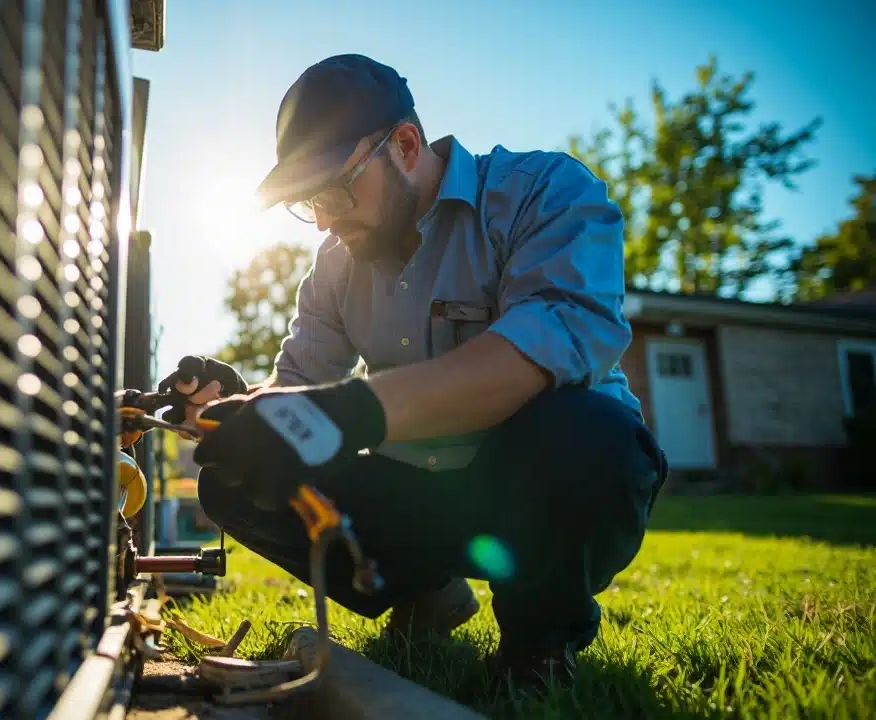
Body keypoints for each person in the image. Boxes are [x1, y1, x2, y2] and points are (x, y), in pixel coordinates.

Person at [151, 54, 669, 687]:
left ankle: (539, 638)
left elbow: (534, 356)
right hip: (417, 489)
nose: (323, 219)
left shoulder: (541, 194)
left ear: (405, 144)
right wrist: (238, 407)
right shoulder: (333, 268)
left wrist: (351, 412)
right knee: (233, 480)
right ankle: (425, 592)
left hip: (547, 484)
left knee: (587, 434)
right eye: (308, 201)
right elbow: (297, 394)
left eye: (335, 190)